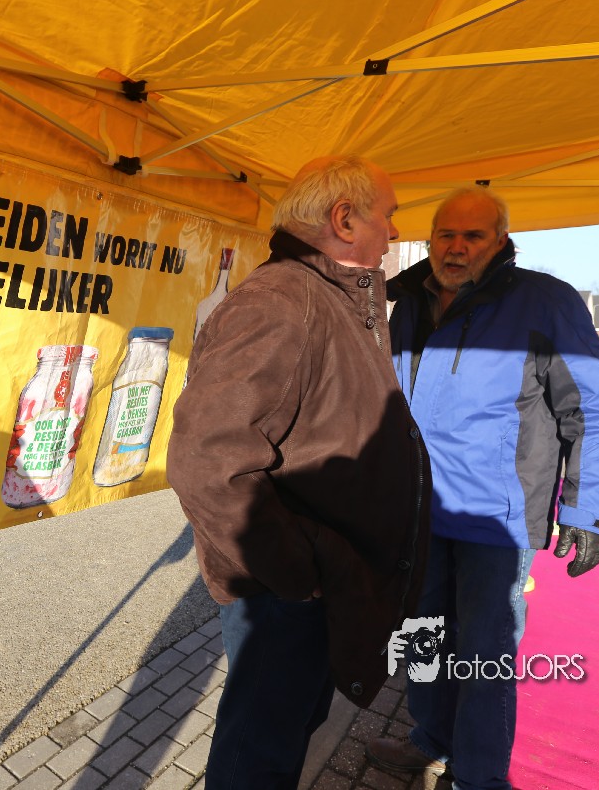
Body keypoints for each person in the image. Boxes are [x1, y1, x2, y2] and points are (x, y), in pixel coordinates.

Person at [167, 155, 432, 789]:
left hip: (312, 583)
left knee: (288, 732)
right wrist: (298, 573)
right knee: (259, 754)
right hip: (287, 591)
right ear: (345, 219)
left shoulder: (327, 295)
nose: (395, 232)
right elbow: (207, 458)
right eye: (389, 215)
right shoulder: (283, 300)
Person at [368, 186, 599, 789]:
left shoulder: (544, 301)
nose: (456, 248)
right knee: (421, 636)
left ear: (502, 241)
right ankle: (430, 737)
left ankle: (479, 775)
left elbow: (595, 408)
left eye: (473, 236)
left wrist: (588, 511)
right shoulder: (407, 301)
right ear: (431, 238)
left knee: (484, 653)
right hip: (418, 511)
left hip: (496, 519)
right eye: (446, 234)